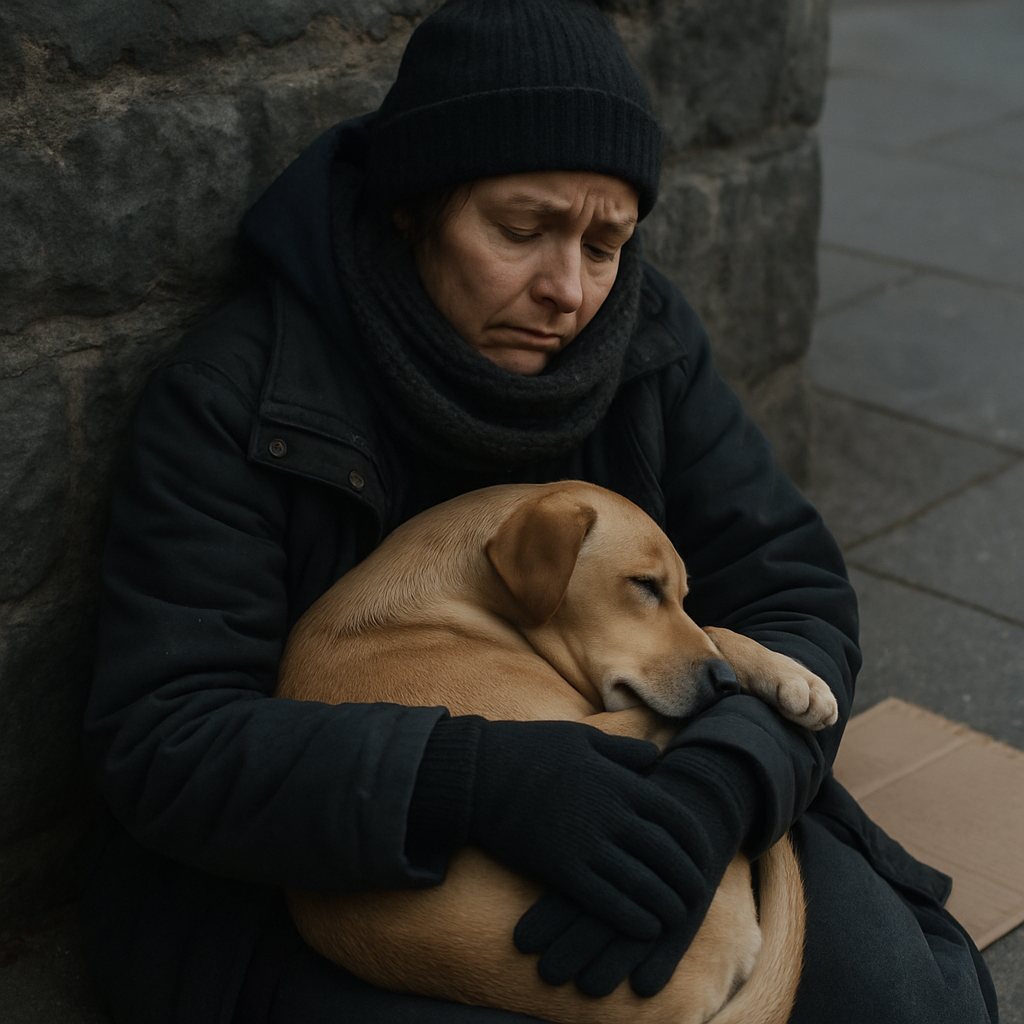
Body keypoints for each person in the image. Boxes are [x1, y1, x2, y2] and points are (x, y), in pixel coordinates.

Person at [81, 1, 999, 1022]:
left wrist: (726, 781)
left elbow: (790, 588)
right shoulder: (237, 394)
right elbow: (167, 740)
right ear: (413, 206)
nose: (568, 289)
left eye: (604, 244)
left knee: (895, 1000)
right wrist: (477, 781)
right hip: (329, 855)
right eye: (522, 229)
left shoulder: (644, 339)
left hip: (653, 772)